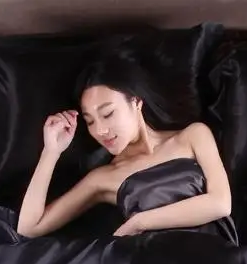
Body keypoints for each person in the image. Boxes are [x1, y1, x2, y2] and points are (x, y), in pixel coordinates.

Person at [16, 50, 234, 240]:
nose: (100, 130)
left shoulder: (194, 135)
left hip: (218, 257)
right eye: (90, 121)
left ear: (136, 102)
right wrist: (51, 152)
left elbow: (221, 203)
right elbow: (29, 228)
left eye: (108, 114)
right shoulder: (103, 178)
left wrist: (139, 222)